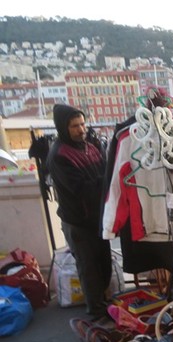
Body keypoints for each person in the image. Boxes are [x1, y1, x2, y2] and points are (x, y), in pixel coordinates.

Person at [47, 104, 112, 322]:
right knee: (89, 267)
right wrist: (107, 180)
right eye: (75, 126)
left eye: (82, 124)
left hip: (98, 219)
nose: (81, 129)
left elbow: (103, 168)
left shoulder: (90, 147)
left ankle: (103, 304)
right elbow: (80, 189)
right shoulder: (59, 155)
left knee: (104, 263)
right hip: (78, 223)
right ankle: (96, 313)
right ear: (64, 128)